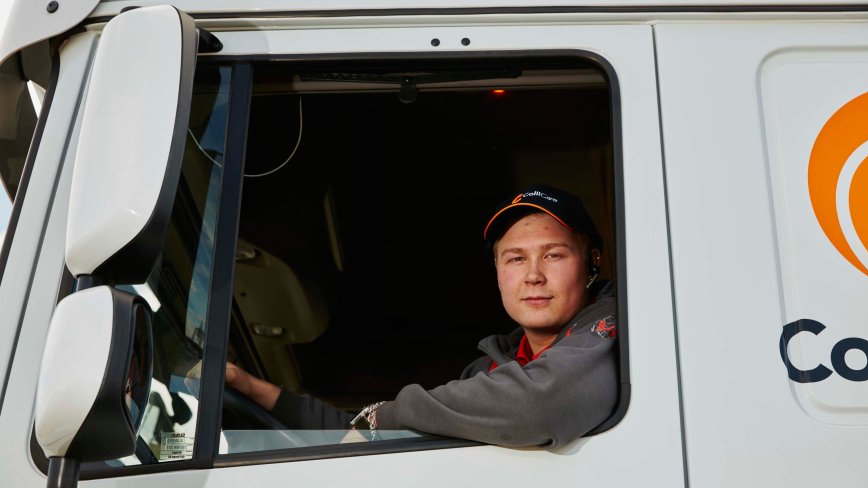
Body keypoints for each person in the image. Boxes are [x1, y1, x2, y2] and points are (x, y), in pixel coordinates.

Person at [225, 183, 618, 448]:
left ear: (592, 262)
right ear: (498, 272)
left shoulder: (614, 329)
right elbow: (363, 434)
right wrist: (254, 389)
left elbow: (539, 407)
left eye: (553, 255)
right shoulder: (484, 371)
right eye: (516, 258)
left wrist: (387, 414)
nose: (533, 276)